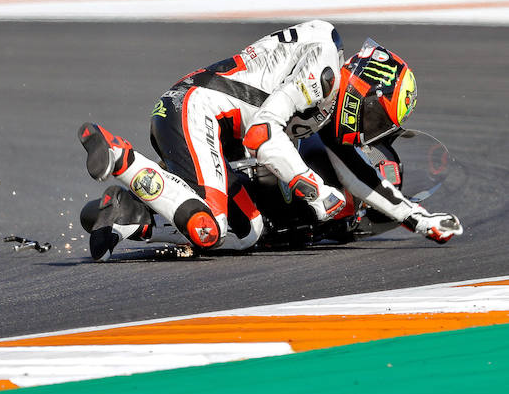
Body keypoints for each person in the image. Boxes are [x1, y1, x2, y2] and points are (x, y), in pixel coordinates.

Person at [78, 20, 463, 261]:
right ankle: (120, 156)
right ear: (367, 85)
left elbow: (359, 176)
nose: (368, 129)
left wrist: (419, 219)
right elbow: (263, 132)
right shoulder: (322, 72)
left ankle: (132, 216)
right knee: (210, 228)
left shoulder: (329, 99)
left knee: (250, 233)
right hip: (196, 113)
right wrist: (313, 188)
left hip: (215, 131)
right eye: (376, 117)